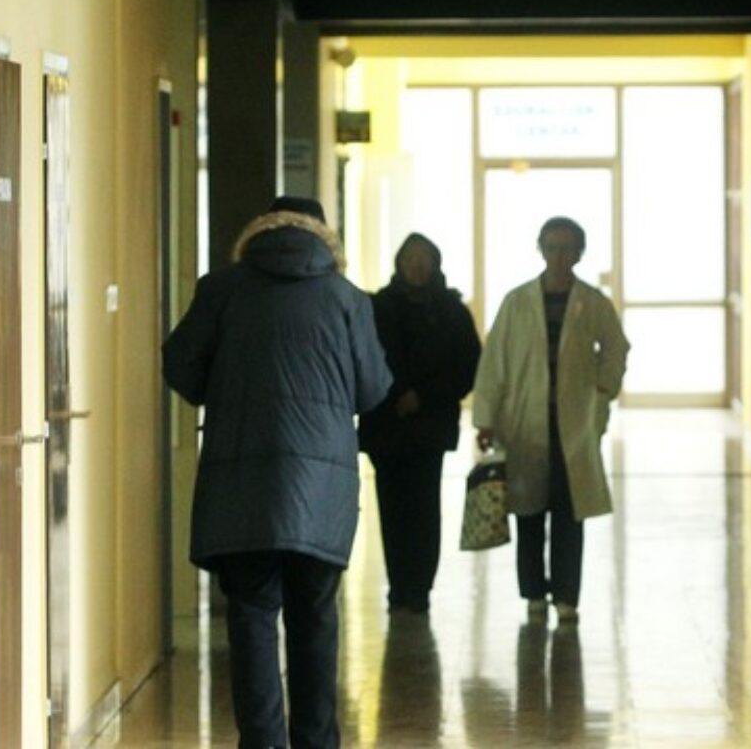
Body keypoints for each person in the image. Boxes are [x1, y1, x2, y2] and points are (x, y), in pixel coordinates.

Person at [162, 195, 391, 749]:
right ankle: (317, 741)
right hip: (323, 486)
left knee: (251, 615)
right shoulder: (347, 299)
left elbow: (180, 365)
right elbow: (373, 388)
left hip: (241, 479)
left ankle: (263, 741)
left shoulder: (220, 290)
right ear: (324, 238)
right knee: (315, 616)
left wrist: (228, 388)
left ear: (259, 231)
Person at [472, 216, 629, 626]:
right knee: (528, 511)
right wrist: (485, 418)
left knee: (569, 510)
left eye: (568, 248)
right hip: (523, 422)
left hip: (573, 422)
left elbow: (616, 347)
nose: (560, 256)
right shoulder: (517, 302)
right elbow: (494, 362)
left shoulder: (591, 302)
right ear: (540, 250)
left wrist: (603, 390)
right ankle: (533, 593)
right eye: (553, 247)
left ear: (579, 253)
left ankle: (566, 596)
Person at [358, 232, 481, 614]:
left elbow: (467, 367)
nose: (417, 265)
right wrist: (394, 395)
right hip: (386, 422)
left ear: (436, 263)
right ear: (399, 263)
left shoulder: (452, 311)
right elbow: (363, 359)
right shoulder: (377, 307)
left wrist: (424, 397)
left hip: (430, 424)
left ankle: (420, 587)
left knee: (425, 507)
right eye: (410, 258)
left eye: (424, 258)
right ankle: (399, 586)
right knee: (392, 507)